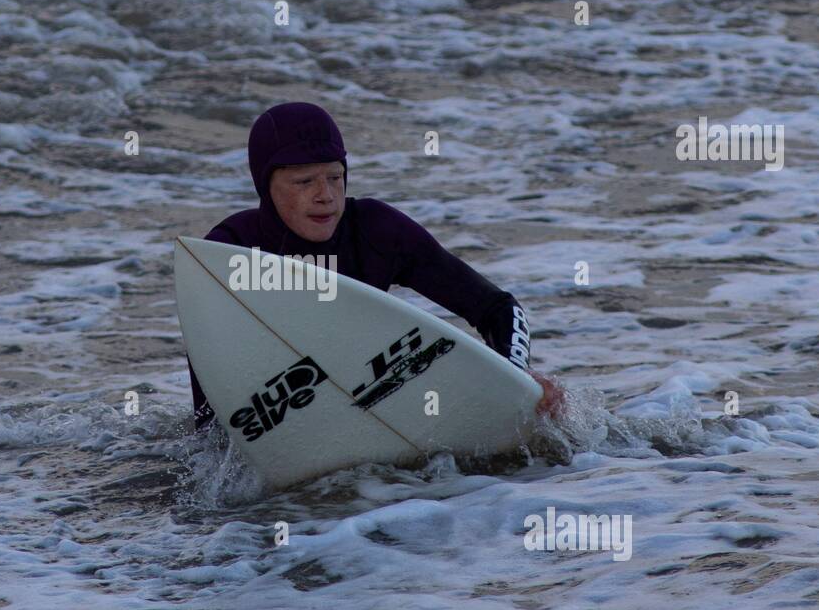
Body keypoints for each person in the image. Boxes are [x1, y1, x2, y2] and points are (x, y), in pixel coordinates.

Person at [187, 101, 564, 430]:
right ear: (265, 187)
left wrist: (518, 378)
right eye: (304, 182)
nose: (326, 196)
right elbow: (209, 387)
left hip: (368, 396)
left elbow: (498, 308)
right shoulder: (232, 250)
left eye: (335, 177)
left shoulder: (375, 231)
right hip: (276, 410)